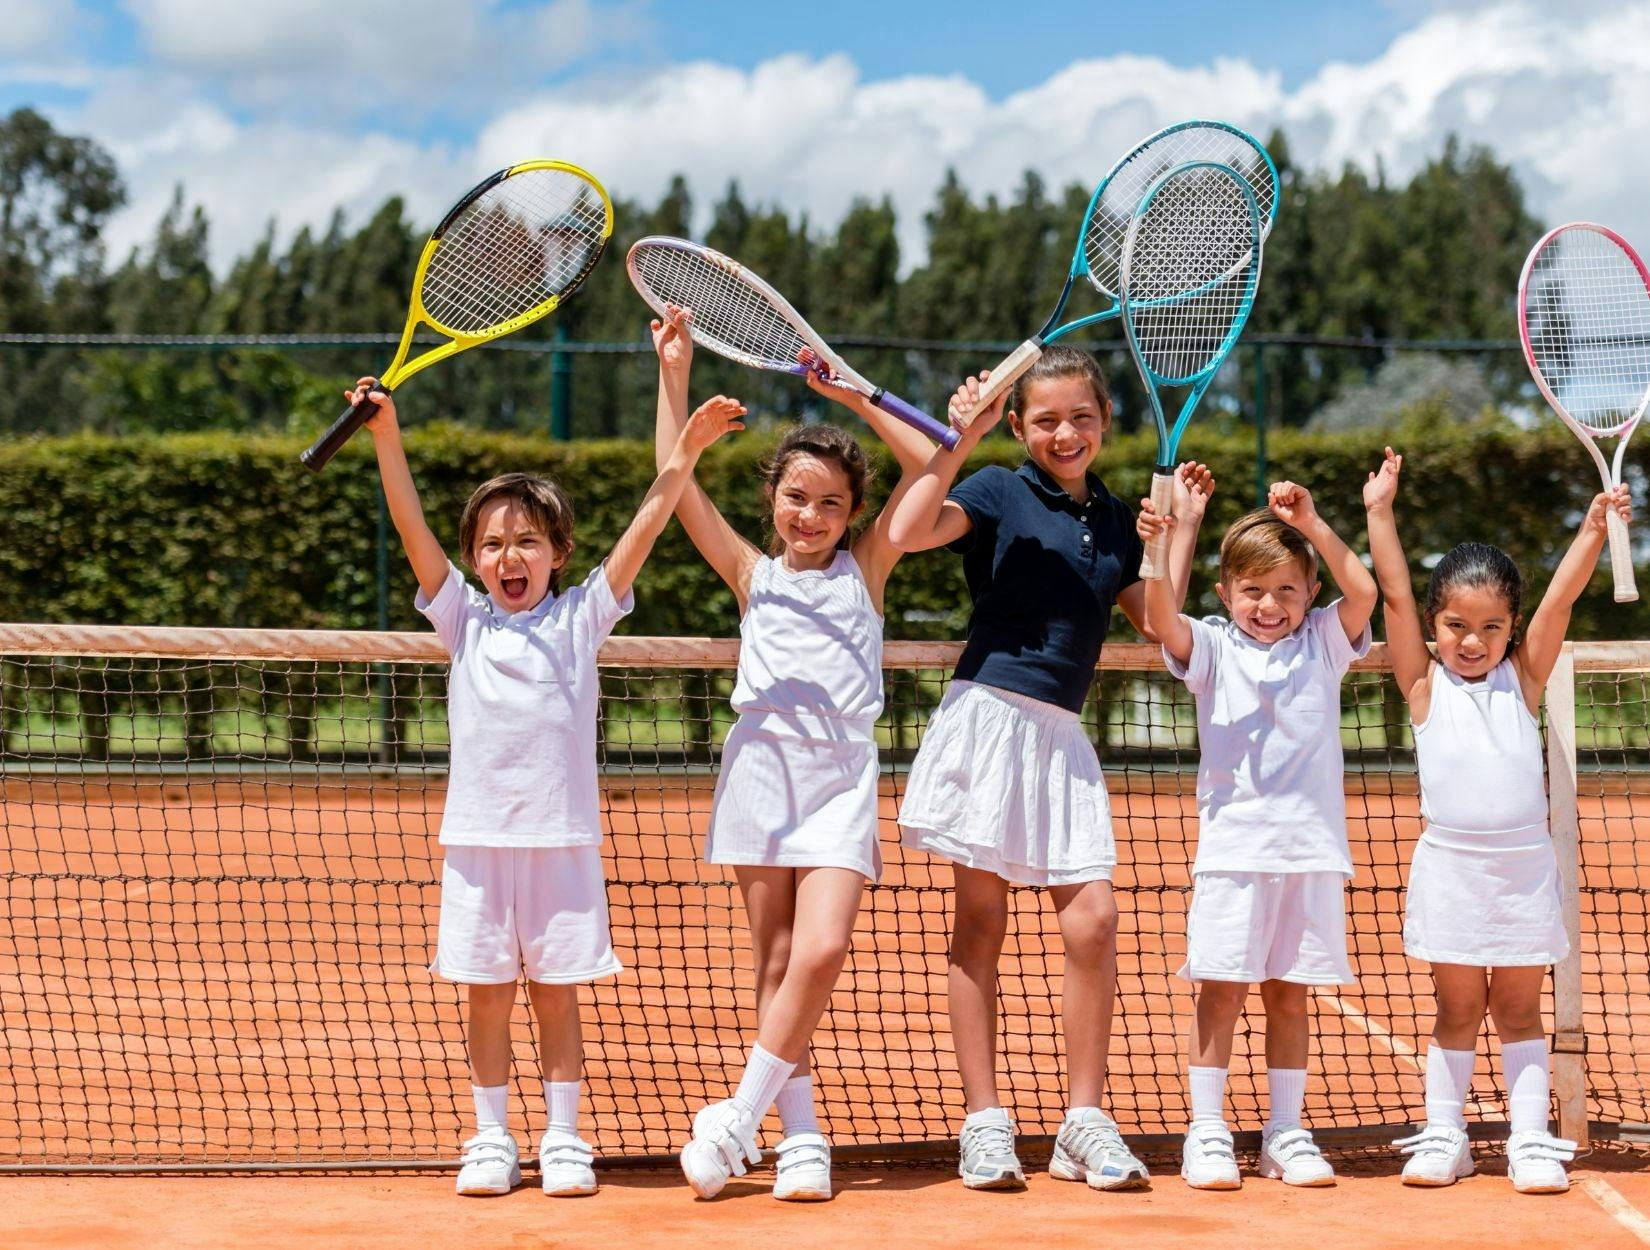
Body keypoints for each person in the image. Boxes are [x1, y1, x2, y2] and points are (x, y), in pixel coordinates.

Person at [355, 374, 742, 1197]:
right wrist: (387, 434)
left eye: (527, 541)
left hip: (561, 845)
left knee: (556, 997)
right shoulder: (462, 617)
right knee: (487, 997)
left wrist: (685, 451)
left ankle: (564, 1136)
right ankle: (492, 1136)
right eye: (492, 545)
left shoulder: (581, 618)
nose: (509, 557)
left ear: (559, 554)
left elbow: (645, 525)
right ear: (474, 562)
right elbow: (409, 522)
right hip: (477, 846)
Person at [884, 347, 1212, 1192]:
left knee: (1093, 922)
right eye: (1045, 420)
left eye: (1080, 418)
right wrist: (959, 437)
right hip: (988, 719)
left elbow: (1157, 624)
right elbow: (907, 532)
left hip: (1061, 736)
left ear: (1103, 422)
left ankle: (1082, 1122)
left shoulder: (1112, 518)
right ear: (1022, 426)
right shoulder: (994, 488)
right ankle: (986, 1123)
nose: (1064, 433)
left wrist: (1178, 534)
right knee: (980, 925)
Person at [651, 308, 936, 1201]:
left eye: (831, 503)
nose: (810, 515)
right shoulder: (750, 573)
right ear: (771, 497)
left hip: (841, 782)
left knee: (820, 951)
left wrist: (851, 391)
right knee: (774, 961)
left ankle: (737, 1117)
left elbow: (932, 462)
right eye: (796, 496)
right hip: (760, 777)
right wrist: (675, 375)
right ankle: (803, 1137)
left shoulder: (871, 568)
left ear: (853, 514)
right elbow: (674, 485)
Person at [1365, 446, 1628, 1193]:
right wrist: (1380, 511)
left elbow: (1561, 603)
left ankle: (1530, 1140)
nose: (1471, 641)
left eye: (1490, 626)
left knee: (1517, 1008)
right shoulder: (1420, 684)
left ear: (1510, 628)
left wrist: (1592, 528)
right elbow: (1391, 594)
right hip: (1450, 869)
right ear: (1437, 624)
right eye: (1455, 624)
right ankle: (1445, 1136)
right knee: (1456, 1008)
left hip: (1521, 870)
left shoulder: (1525, 678)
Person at [1138, 475, 1378, 1189]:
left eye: (1287, 591)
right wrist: (1177, 530)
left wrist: (1311, 520)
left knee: (1290, 993)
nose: (1269, 606)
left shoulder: (1324, 644)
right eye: (1252, 591)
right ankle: (1207, 1129)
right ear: (1225, 593)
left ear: (1308, 596)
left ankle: (1285, 1131)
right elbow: (1158, 615)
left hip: (1310, 854)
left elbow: (1362, 593)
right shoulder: (1212, 647)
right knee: (1221, 989)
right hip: (1234, 854)